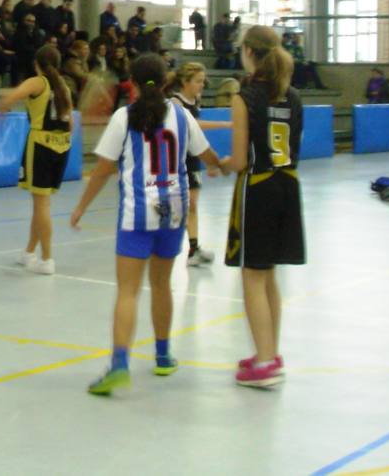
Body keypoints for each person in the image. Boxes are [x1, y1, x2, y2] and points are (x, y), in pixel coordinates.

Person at [70, 53, 228, 396]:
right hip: (174, 212)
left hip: (137, 213)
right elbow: (207, 155)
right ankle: (163, 355)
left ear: (134, 84)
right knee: (161, 285)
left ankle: (119, 364)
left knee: (128, 291)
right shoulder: (182, 116)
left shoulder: (124, 117)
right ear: (167, 80)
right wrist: (221, 165)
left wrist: (81, 207)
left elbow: (103, 169)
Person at [225, 25, 305, 389]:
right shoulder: (293, 96)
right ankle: (269, 352)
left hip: (257, 188)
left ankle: (264, 363)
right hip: (288, 186)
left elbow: (240, 159)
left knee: (253, 276)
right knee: (268, 274)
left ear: (248, 52)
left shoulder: (245, 96)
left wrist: (221, 163)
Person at [0, 45, 73, 276]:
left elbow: (11, 97)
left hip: (41, 144)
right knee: (41, 203)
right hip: (62, 145)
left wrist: (3, 106)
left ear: (36, 63)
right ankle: (29, 252)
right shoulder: (63, 87)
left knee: (42, 205)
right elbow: (70, 122)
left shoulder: (38, 82)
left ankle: (47, 259)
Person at [169, 63, 232, 267]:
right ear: (185, 82)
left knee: (193, 205)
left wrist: (210, 165)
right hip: (177, 160)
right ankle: (168, 246)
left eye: (203, 81)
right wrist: (224, 124)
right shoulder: (175, 102)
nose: (202, 85)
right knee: (181, 207)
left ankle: (193, 249)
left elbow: (196, 136)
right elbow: (192, 126)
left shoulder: (195, 100)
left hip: (193, 157)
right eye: (198, 81)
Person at [12, 12, 46, 84]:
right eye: (29, 21)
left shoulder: (37, 32)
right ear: (24, 21)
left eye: (33, 21)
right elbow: (21, 46)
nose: (31, 23)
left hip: (33, 54)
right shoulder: (19, 32)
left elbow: (39, 45)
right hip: (22, 55)